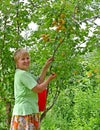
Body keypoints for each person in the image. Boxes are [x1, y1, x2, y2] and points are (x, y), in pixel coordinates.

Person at [10, 48, 56, 130]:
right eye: (23, 59)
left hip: (29, 110)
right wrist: (49, 79)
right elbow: (39, 89)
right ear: (17, 62)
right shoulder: (22, 74)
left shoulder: (25, 73)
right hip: (25, 112)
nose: (26, 61)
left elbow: (39, 81)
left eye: (27, 58)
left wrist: (45, 67)